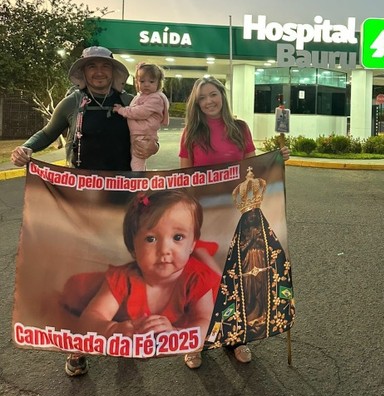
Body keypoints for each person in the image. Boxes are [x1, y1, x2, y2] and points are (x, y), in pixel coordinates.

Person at [10, 46, 158, 377]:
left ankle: (122, 333)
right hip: (80, 197)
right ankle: (78, 345)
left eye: (104, 67)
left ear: (114, 72)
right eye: (92, 67)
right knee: (80, 265)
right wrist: (26, 148)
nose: (99, 72)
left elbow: (149, 137)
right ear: (84, 72)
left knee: (123, 264)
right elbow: (47, 133)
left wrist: (153, 147)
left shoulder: (132, 102)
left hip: (123, 195)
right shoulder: (72, 103)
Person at [178, 76, 290, 369]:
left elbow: (255, 169)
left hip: (238, 215)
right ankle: (196, 341)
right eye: (203, 98)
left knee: (237, 277)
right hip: (204, 216)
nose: (209, 101)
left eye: (213, 95)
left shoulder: (240, 129)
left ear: (222, 96)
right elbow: (184, 177)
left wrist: (277, 161)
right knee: (204, 279)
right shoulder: (191, 132)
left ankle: (235, 337)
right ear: (197, 103)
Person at [78, 190, 218, 342]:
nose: (164, 250)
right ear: (133, 248)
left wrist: (176, 334)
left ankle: (201, 252)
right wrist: (112, 329)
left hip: (211, 285)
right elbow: (88, 321)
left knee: (228, 287)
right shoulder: (123, 279)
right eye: (150, 239)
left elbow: (209, 325)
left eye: (178, 237)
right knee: (76, 291)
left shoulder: (198, 278)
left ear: (191, 244)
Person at [113, 62, 169, 171]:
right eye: (142, 81)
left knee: (137, 161)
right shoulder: (141, 97)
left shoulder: (155, 99)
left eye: (151, 81)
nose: (146, 84)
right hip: (139, 133)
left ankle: (138, 181)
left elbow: (141, 112)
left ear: (159, 83)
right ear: (137, 83)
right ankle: (140, 179)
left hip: (143, 134)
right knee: (138, 161)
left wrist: (122, 110)